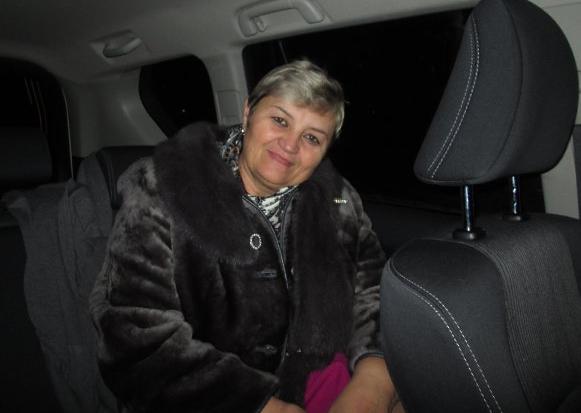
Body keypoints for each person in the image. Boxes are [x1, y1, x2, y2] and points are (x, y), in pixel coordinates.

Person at [89, 60, 403, 413]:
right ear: (248, 112)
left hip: (321, 377)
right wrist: (269, 407)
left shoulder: (339, 202)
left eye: (312, 137)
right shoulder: (163, 188)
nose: (290, 145)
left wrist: (373, 381)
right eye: (280, 120)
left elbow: (373, 295)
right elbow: (136, 339)